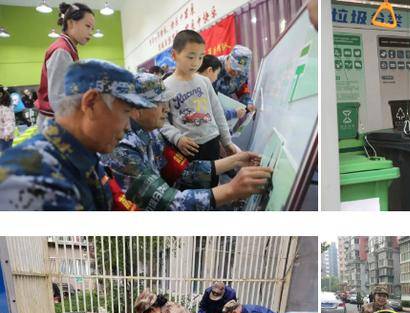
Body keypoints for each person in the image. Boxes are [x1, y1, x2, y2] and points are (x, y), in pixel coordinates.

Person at [0, 60, 157, 210]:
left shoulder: (83, 157)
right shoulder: (29, 178)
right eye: (126, 112)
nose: (128, 127)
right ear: (91, 104)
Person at [100, 73, 270, 211]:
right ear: (137, 111)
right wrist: (231, 190)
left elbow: (184, 171)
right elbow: (165, 202)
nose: (167, 109)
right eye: (160, 103)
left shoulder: (151, 133)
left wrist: (236, 160)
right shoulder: (120, 150)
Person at [161, 30, 238, 188]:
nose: (196, 62)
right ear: (174, 55)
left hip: (212, 143)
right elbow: (161, 121)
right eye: (191, 57)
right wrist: (177, 138)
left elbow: (217, 112)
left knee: (213, 185)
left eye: (201, 57)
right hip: (190, 149)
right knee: (195, 189)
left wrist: (227, 141)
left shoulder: (204, 81)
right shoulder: (166, 86)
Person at [35, 2, 95, 132]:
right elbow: (58, 98)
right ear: (71, 23)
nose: (90, 32)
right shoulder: (62, 51)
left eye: (92, 29)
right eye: (88, 26)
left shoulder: (69, 48)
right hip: (54, 124)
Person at [198, 55, 247, 122]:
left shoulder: (201, 85)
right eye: (217, 74)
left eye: (239, 71)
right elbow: (208, 117)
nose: (236, 73)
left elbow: (243, 88)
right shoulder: (199, 90)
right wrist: (233, 113)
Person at [214, 45, 256, 112]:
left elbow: (242, 89)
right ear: (228, 59)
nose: (236, 74)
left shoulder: (243, 73)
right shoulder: (213, 67)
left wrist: (248, 103)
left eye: (240, 71)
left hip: (226, 108)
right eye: (234, 69)